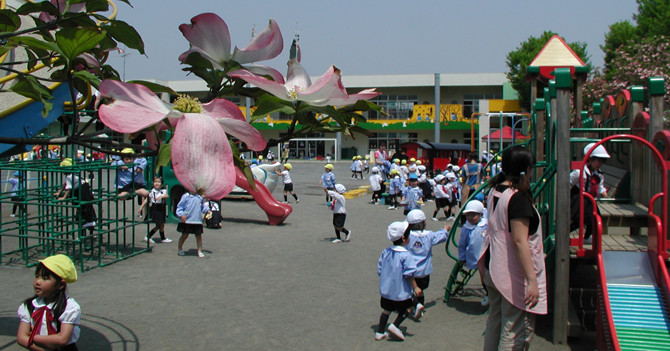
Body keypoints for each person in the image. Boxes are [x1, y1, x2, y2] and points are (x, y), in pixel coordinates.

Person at [480, 145, 547, 350]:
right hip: (510, 271)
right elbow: (519, 241)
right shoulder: (517, 198)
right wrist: (532, 280)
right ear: (526, 168)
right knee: (515, 329)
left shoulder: (496, 190)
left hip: (492, 263)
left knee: (495, 321)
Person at [17, 254, 81, 350]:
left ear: (61, 284)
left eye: (45, 278)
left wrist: (33, 337)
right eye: (37, 276)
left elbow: (62, 339)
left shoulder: (68, 308)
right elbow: (21, 338)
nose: (38, 282)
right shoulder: (30, 306)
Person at [374, 221, 422, 341]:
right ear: (404, 238)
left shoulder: (386, 252)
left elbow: (380, 269)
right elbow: (409, 274)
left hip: (386, 289)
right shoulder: (406, 255)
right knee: (409, 307)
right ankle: (395, 325)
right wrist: (415, 287)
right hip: (400, 291)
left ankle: (379, 332)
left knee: (386, 310)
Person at [405, 209, 448, 320]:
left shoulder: (407, 236)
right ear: (424, 223)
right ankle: (419, 307)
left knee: (409, 289)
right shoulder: (429, 236)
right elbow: (441, 236)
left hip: (411, 271)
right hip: (424, 270)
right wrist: (445, 230)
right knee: (421, 290)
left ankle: (414, 306)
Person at [570, 143, 610, 242]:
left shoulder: (598, 174)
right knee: (579, 219)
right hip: (579, 199)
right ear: (590, 159)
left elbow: (600, 186)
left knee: (596, 219)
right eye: (599, 161)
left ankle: (587, 237)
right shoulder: (580, 172)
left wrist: (603, 191)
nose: (600, 164)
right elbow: (569, 182)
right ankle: (564, 233)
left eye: (603, 161)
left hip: (589, 200)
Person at [457, 199, 489, 306]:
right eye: (468, 215)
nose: (470, 217)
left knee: (490, 274)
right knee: (483, 274)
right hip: (475, 256)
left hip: (488, 254)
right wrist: (462, 257)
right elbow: (462, 244)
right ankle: (488, 293)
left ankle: (492, 293)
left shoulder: (485, 224)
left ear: (480, 214)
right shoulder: (466, 228)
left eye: (473, 215)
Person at [54, 158, 96, 230]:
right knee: (87, 206)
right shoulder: (74, 173)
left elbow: (68, 188)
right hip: (85, 188)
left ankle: (90, 221)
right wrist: (59, 192)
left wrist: (64, 197)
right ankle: (91, 221)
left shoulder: (69, 176)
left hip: (82, 190)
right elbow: (65, 184)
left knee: (84, 207)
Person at [111, 148, 149, 214]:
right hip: (124, 186)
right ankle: (129, 193)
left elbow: (144, 160)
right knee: (121, 196)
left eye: (130, 159)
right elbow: (112, 164)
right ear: (123, 159)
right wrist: (121, 166)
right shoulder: (120, 162)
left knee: (147, 193)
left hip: (136, 184)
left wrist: (140, 168)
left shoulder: (136, 162)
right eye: (126, 159)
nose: (129, 161)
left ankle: (135, 192)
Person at [175, 191, 211, 258]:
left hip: (197, 220)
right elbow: (180, 206)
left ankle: (199, 251)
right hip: (187, 220)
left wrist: (207, 210)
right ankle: (179, 248)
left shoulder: (199, 197)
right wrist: (181, 214)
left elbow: (202, 207)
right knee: (184, 235)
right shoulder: (186, 196)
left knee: (198, 236)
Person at [143, 177, 172, 243]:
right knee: (159, 225)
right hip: (155, 207)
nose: (157, 183)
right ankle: (148, 236)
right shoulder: (152, 191)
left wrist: (162, 196)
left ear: (161, 184)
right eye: (155, 182)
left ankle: (163, 238)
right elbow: (147, 199)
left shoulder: (163, 190)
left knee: (162, 224)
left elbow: (167, 196)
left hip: (161, 207)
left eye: (158, 182)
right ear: (153, 184)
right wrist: (141, 207)